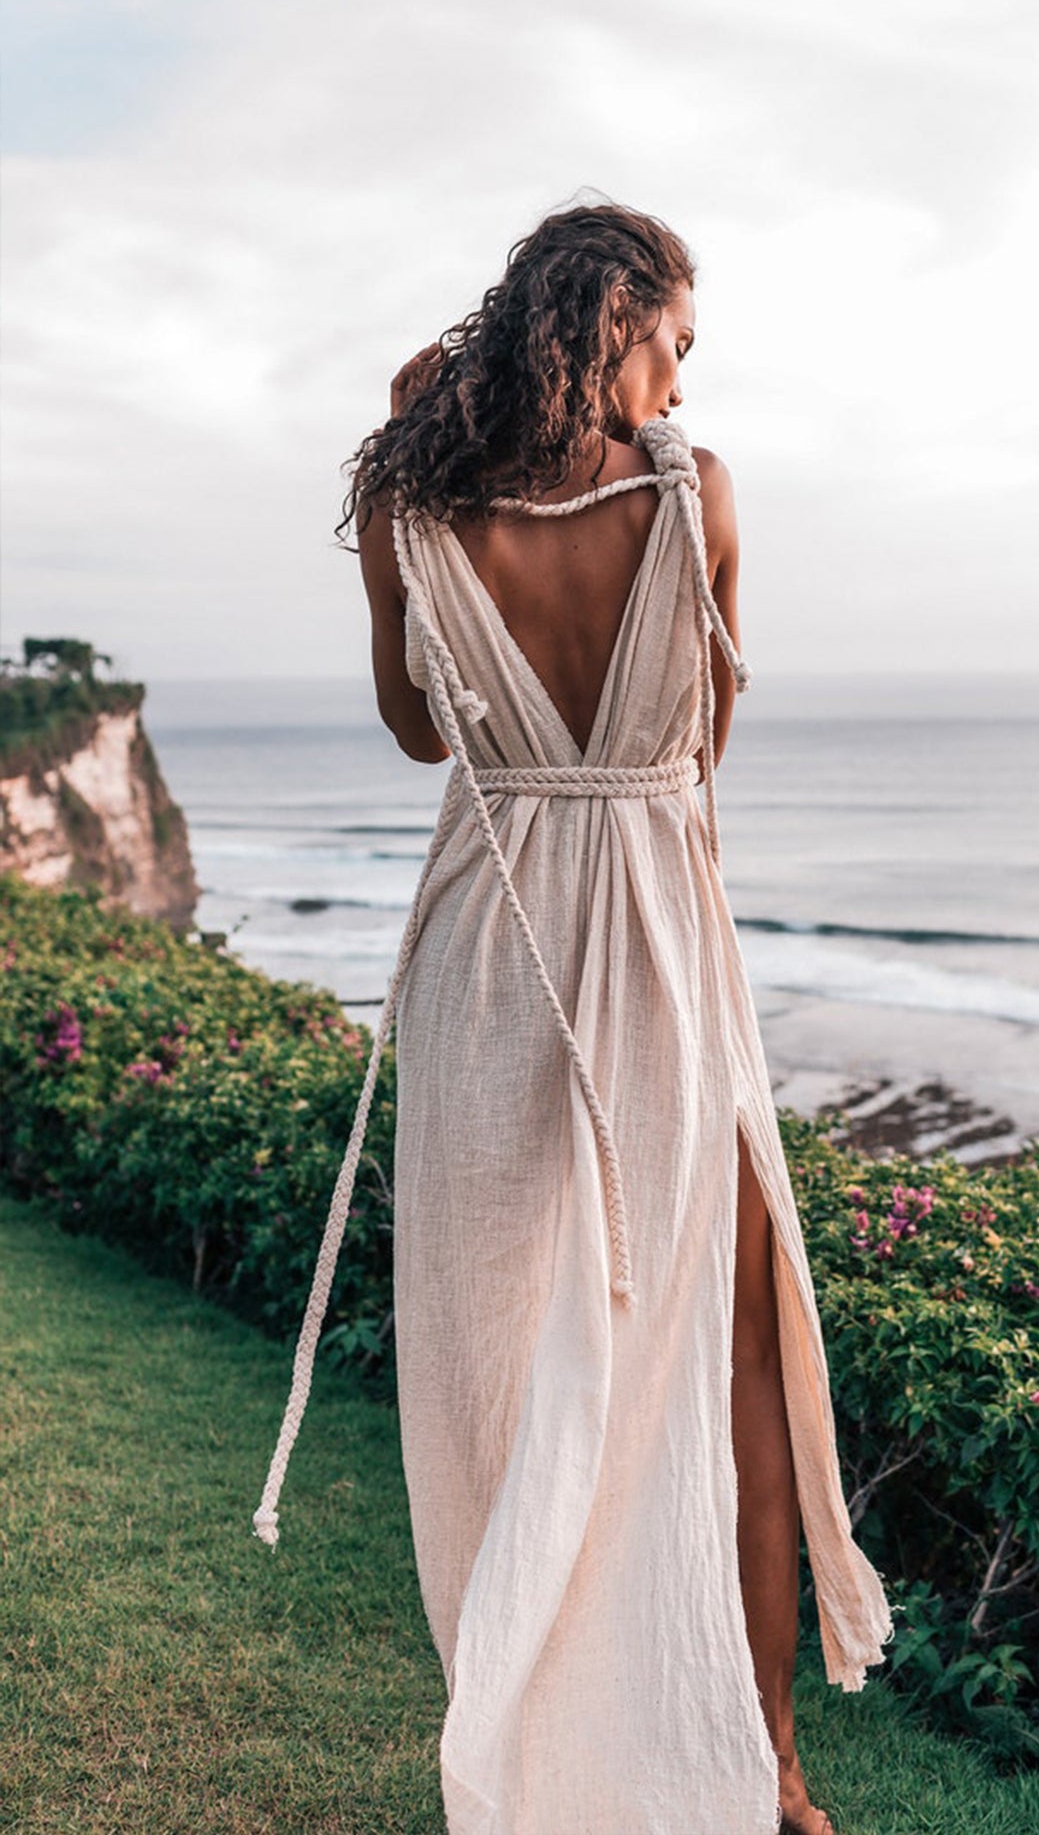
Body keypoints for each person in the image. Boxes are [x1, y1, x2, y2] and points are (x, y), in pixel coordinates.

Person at [254, 200, 891, 1835]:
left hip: (492, 938)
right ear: (608, 319)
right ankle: (771, 1777)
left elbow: (415, 730)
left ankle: (533, 1738)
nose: (679, 382)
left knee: (497, 1344)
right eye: (673, 339)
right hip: (660, 940)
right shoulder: (698, 501)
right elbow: (700, 745)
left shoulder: (415, 500)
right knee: (730, 1347)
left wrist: (409, 454)